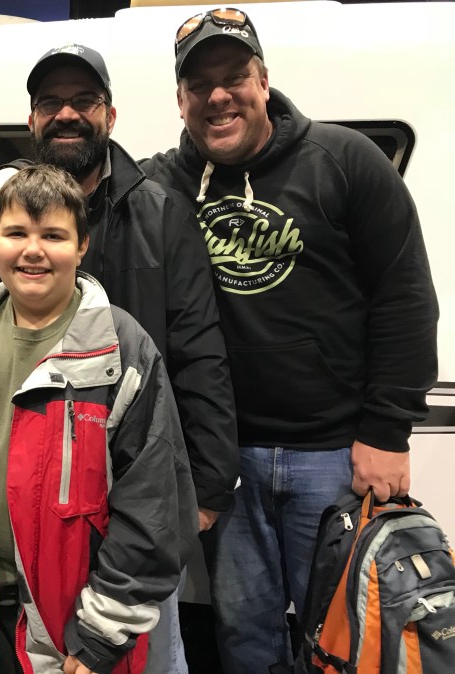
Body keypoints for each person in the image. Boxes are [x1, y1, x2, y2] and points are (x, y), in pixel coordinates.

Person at [136, 9, 439, 673]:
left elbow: (406, 300)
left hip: (334, 456)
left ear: (263, 82)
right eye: (199, 85)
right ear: (180, 101)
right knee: (244, 637)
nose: (218, 96)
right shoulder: (161, 184)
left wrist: (387, 430)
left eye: (234, 77)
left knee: (347, 639)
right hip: (225, 464)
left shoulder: (344, 161)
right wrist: (9, 181)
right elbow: (82, 191)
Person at [0, 44, 238, 674]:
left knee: (145, 649)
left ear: (110, 115)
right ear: (32, 121)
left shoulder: (162, 212)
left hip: (139, 487)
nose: (67, 114)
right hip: (35, 497)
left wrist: (204, 486)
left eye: (83, 100)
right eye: (51, 103)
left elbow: (199, 350)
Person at [0, 164, 199, 674]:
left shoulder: (121, 351)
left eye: (53, 235)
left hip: (73, 636)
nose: (33, 250)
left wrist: (100, 634)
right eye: (16, 233)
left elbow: (152, 505)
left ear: (82, 245)